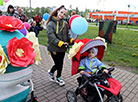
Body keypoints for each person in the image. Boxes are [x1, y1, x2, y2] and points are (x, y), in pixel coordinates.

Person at [46, 5, 74, 86]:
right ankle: (54, 74)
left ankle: (57, 76)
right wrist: (60, 43)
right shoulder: (51, 24)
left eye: (64, 14)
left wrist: (71, 40)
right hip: (54, 48)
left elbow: (67, 35)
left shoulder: (65, 23)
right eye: (61, 12)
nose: (62, 15)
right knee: (58, 64)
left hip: (63, 49)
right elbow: (51, 37)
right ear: (57, 11)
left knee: (60, 64)